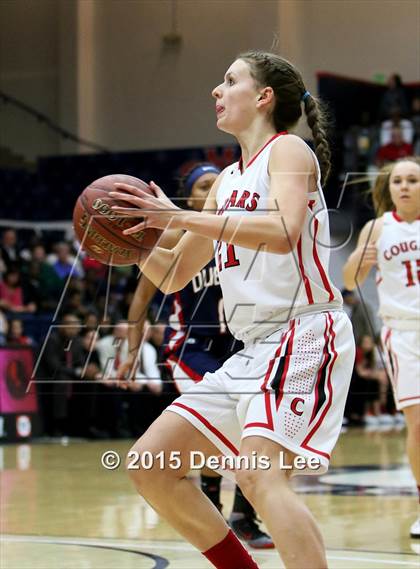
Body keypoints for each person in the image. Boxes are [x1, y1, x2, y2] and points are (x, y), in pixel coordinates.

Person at [110, 51, 355, 568]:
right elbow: (175, 273)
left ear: (263, 97)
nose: (216, 91)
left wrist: (180, 216)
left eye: (229, 81)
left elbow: (285, 232)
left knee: (260, 475)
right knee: (150, 465)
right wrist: (130, 245)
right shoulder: (225, 181)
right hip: (252, 350)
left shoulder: (288, 151)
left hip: (304, 329)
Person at [117, 162, 274, 549]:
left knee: (248, 425)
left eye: (215, 184)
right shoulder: (176, 232)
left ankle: (239, 513)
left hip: (237, 344)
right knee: (227, 418)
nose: (213, 191)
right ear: (190, 198)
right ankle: (225, 509)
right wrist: (132, 350)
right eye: (204, 186)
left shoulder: (237, 229)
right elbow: (141, 298)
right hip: (189, 345)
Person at [343, 157, 420, 539]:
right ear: (388, 188)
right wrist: (358, 258)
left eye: (412, 180)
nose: (404, 186)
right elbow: (349, 279)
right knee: (418, 424)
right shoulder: (377, 229)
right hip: (404, 333)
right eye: (397, 181)